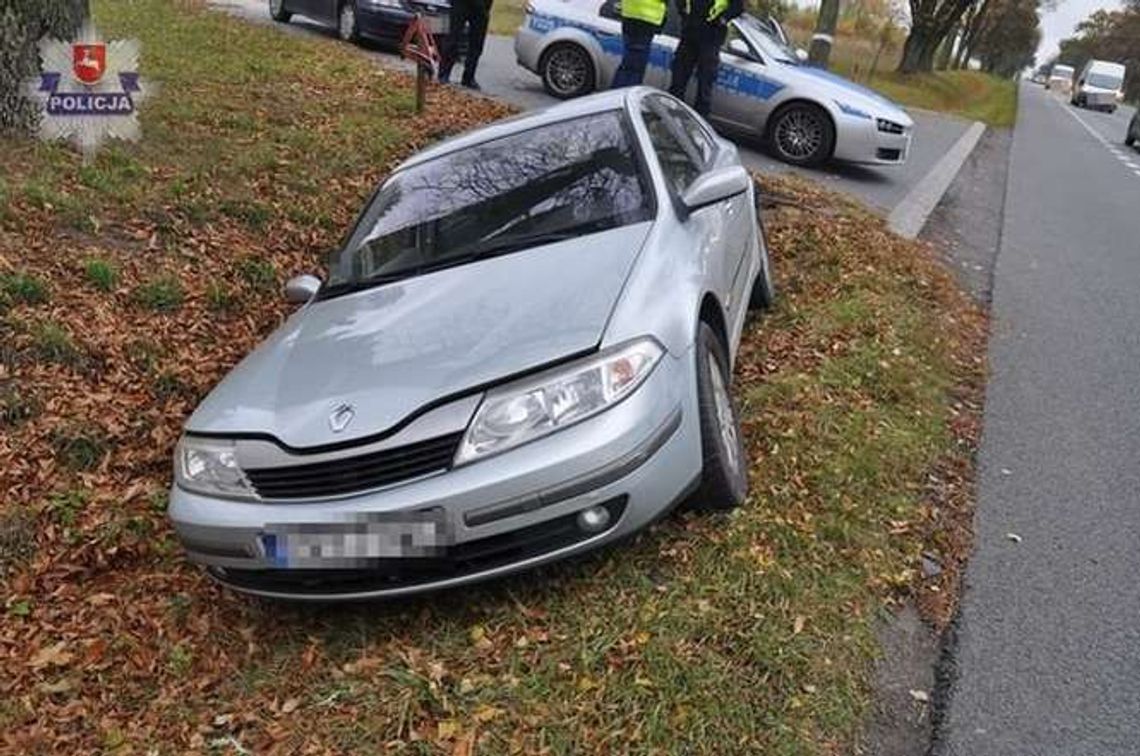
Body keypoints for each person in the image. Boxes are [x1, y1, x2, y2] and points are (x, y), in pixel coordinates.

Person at [667, 0, 742, 116]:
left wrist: (722, 19)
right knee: (678, 80)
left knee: (704, 87)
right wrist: (683, 13)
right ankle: (670, 117)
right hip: (690, 33)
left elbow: (737, 7)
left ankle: (699, 124)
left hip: (711, 37)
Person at [611, 0, 668, 88]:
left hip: (630, 14)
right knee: (635, 68)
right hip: (646, 19)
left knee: (627, 64)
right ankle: (623, 98)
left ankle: (615, 95)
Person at [439, 0, 494, 90]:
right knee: (453, 38)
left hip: (482, 6)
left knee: (477, 43)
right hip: (461, 3)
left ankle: (469, 77)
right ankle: (444, 74)